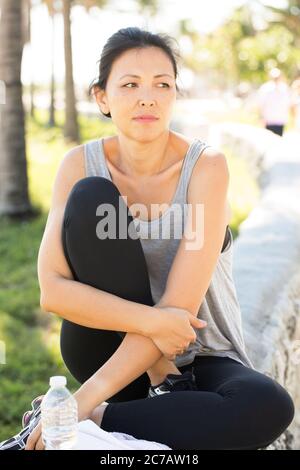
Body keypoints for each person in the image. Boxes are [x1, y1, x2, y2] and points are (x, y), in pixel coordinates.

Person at [1, 27, 294, 451]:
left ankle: (97, 422)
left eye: (162, 84)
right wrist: (155, 322)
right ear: (101, 97)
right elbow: (53, 292)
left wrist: (83, 404)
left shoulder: (205, 168)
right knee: (92, 197)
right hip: (105, 343)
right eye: (130, 84)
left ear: (175, 95)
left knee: (269, 405)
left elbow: (181, 308)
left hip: (197, 354)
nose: (147, 97)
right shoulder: (79, 165)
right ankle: (154, 401)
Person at [257, 67, 292, 136]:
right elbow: (260, 105)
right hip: (269, 120)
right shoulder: (265, 89)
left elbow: (288, 104)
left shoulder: (284, 88)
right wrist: (261, 118)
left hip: (280, 120)